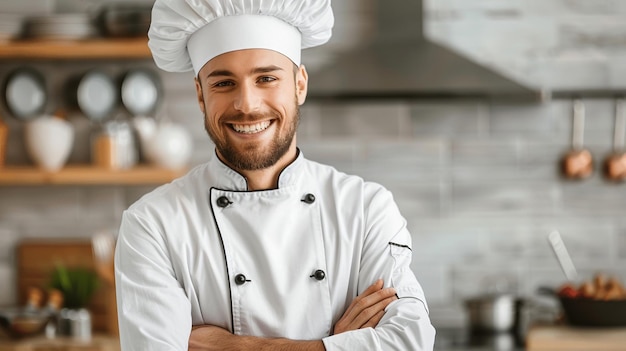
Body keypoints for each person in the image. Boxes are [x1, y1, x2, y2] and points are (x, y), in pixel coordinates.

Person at [114, 0, 436, 350]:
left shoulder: (364, 208)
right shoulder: (152, 225)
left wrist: (240, 347)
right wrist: (336, 344)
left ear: (299, 84)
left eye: (266, 78)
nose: (247, 105)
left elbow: (410, 341)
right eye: (223, 83)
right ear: (200, 96)